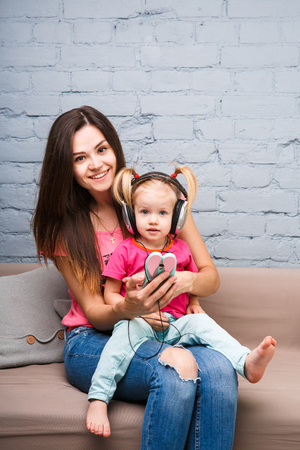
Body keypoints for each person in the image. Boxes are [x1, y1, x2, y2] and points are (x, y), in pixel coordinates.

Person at [33, 105, 239, 450]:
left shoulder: (157, 199)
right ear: (66, 169)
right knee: (176, 367)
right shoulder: (65, 229)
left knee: (220, 370)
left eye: (101, 149)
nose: (96, 164)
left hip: (162, 326)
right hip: (93, 340)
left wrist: (186, 284)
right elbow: (96, 312)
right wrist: (129, 307)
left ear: (114, 148)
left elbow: (210, 277)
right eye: (79, 158)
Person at [86, 166, 276, 436]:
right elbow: (110, 294)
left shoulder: (181, 249)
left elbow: (193, 282)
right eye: (144, 212)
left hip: (176, 324)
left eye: (162, 213)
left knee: (203, 324)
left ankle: (245, 361)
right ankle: (98, 398)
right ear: (130, 215)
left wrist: (194, 302)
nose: (153, 220)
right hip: (140, 322)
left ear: (176, 217)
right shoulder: (125, 250)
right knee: (121, 337)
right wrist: (130, 308)